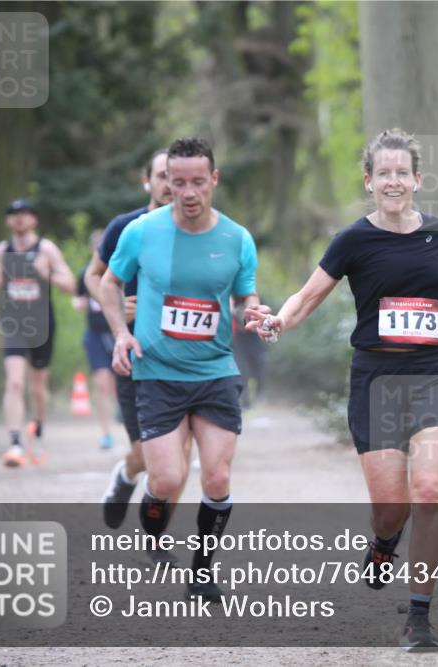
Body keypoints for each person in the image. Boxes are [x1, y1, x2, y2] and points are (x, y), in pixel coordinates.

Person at [246, 128, 438, 651]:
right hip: (376, 381)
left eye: (402, 172)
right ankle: (384, 540)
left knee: (429, 493)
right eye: (383, 173)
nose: (393, 181)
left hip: (434, 374)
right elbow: (307, 297)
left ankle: (419, 615)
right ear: (368, 182)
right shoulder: (352, 240)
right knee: (391, 508)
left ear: (417, 179)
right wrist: (278, 321)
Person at [100, 137, 260, 602]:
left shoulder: (237, 238)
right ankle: (153, 525)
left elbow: (245, 295)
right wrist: (121, 333)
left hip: (215, 371)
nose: (188, 192)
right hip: (157, 373)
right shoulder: (141, 231)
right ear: (165, 181)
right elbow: (109, 284)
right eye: (178, 182)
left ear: (214, 179)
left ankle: (202, 571)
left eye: (198, 182)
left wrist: (252, 311)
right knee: (166, 481)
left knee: (217, 478)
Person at [85, 149, 192, 540]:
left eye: (177, 177)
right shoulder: (125, 227)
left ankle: (157, 537)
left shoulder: (199, 229)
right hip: (136, 355)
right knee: (148, 455)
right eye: (162, 176)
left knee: (180, 456)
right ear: (147, 181)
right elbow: (94, 276)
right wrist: (113, 305)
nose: (170, 184)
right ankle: (127, 474)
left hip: (184, 356)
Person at [0, 199, 76, 467]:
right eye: (14, 214)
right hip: (14, 323)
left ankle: (37, 432)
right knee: (15, 382)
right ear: (8, 220)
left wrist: (46, 273)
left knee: (37, 386)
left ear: (34, 219)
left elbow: (70, 285)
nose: (19, 219)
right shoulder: (2, 250)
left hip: (42, 324)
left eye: (24, 214)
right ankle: (14, 444)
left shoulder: (46, 249)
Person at [73, 229, 118, 450]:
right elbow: (79, 298)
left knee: (121, 386)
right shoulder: (85, 274)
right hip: (95, 335)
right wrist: (79, 303)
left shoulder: (120, 271)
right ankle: (107, 433)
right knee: (102, 384)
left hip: (119, 334)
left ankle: (132, 431)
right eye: (97, 247)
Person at [232, 301, 267, 409]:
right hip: (239, 344)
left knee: (259, 371)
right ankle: (245, 402)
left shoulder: (258, 301)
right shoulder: (233, 301)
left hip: (255, 343)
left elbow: (261, 320)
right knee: (242, 373)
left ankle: (260, 395)